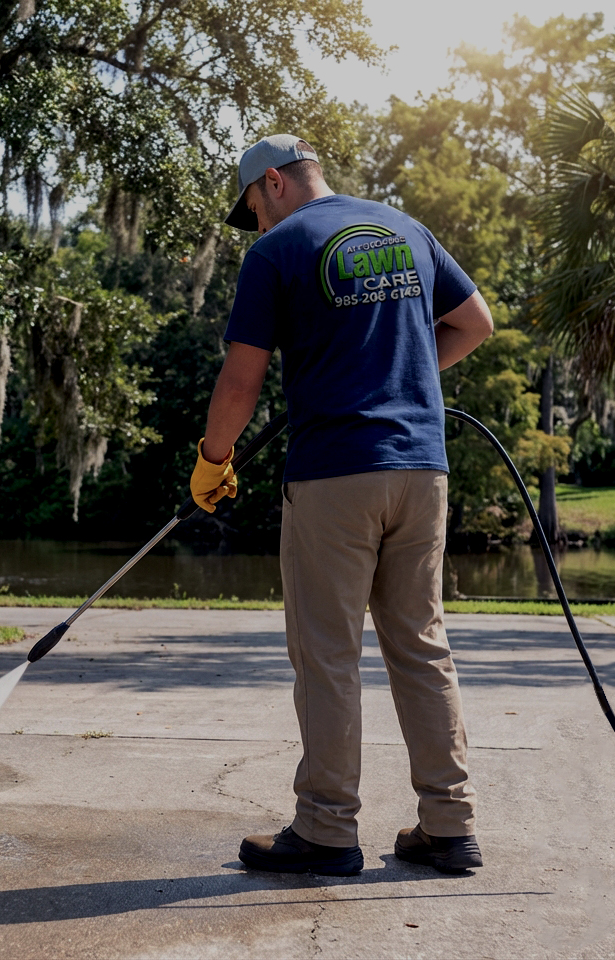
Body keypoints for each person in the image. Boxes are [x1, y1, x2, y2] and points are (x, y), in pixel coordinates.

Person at [189, 134, 494, 877]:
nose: (256, 224)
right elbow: (476, 324)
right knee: (422, 645)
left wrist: (213, 461)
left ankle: (327, 829)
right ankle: (450, 828)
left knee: (328, 654)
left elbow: (239, 383)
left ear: (274, 184)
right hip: (422, 470)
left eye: (254, 207)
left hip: (334, 476)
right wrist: (401, 384)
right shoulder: (406, 228)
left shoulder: (275, 253)